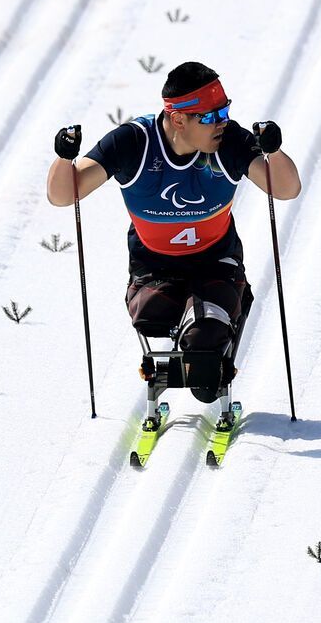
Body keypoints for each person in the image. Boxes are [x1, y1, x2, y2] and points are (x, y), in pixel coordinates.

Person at [45, 61, 301, 412]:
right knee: (152, 318)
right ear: (179, 118)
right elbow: (64, 195)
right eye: (210, 116)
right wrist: (64, 159)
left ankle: (211, 335)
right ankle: (196, 328)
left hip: (215, 262)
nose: (222, 121)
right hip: (154, 267)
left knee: (205, 360)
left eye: (225, 110)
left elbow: (286, 189)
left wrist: (272, 150)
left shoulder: (229, 143)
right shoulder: (134, 143)